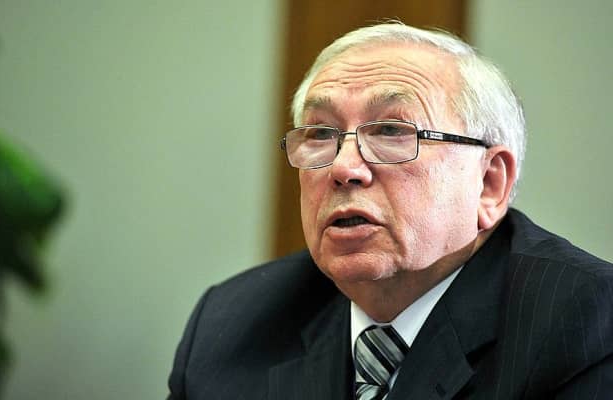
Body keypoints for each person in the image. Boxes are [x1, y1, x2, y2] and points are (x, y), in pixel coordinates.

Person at [167, 21, 613, 399]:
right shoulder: (231, 325)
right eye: (320, 134)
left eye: (391, 131)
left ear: (488, 184)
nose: (343, 168)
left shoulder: (587, 322)